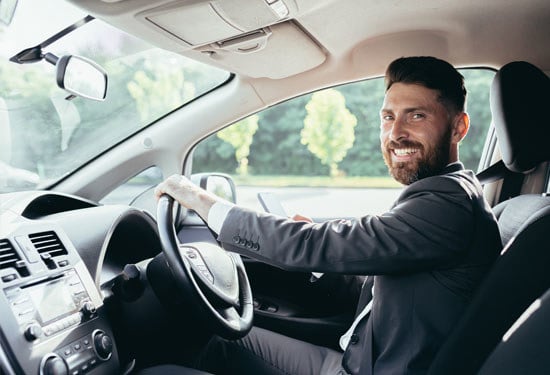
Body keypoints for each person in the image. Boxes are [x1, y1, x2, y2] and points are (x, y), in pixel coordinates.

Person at [154, 56, 502, 375]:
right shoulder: (446, 194)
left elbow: (317, 242)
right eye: (388, 117)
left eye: (417, 115)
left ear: (459, 127)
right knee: (215, 339)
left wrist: (202, 201)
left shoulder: (447, 203)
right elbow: (381, 283)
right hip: (359, 359)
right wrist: (322, 263)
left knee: (184, 355)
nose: (395, 133)